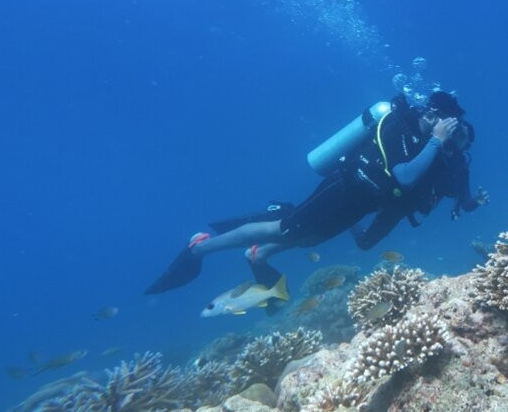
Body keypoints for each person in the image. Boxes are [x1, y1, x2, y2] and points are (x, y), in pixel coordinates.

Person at [144, 90, 472, 295]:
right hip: (342, 188)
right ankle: (200, 249)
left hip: (362, 203)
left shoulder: (427, 145)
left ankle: (258, 254)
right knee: (284, 228)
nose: (446, 131)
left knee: (308, 239)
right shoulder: (395, 125)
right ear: (431, 114)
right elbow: (403, 177)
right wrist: (435, 140)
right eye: (444, 123)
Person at [350, 120, 489, 250]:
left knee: (365, 243)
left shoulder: (460, 168)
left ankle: (352, 225)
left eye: (462, 137)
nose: (456, 136)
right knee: (350, 209)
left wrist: (477, 201)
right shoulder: (429, 143)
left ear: (466, 146)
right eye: (456, 130)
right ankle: (348, 217)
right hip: (385, 189)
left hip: (401, 206)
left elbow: (465, 204)